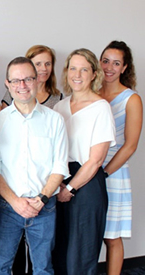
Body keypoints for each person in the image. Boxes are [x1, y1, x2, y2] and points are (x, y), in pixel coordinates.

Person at [0, 57, 69, 274]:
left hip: (44, 206)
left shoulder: (55, 120)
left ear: (37, 80)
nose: (22, 86)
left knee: (43, 267)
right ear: (7, 83)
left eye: (27, 79)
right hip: (8, 207)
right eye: (16, 81)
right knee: (2, 266)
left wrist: (41, 199)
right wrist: (15, 202)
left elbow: (59, 167)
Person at [52, 48, 116, 275]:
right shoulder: (59, 107)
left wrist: (69, 188)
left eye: (84, 69)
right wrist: (57, 184)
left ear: (93, 74)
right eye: (73, 68)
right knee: (59, 250)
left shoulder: (101, 108)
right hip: (60, 179)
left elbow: (96, 160)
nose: (77, 74)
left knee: (81, 254)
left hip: (86, 185)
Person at [98, 41, 143, 275]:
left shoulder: (131, 99)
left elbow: (130, 145)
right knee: (91, 234)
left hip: (113, 174)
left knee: (112, 236)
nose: (109, 67)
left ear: (125, 67)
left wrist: (103, 172)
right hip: (87, 171)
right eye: (105, 60)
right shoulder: (92, 94)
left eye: (116, 63)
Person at [2, 45, 63, 110]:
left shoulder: (57, 98)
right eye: (38, 64)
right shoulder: (15, 92)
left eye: (47, 64)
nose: (44, 68)